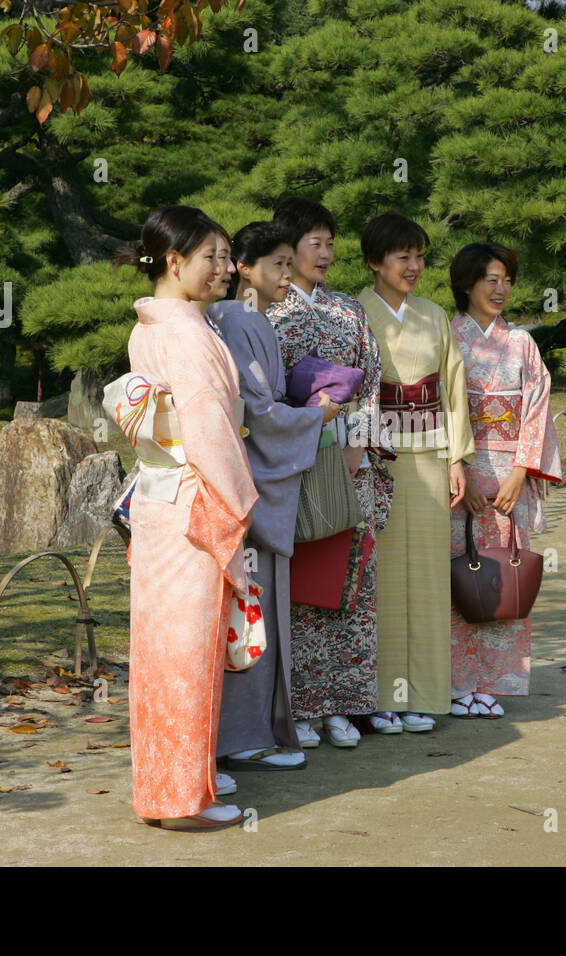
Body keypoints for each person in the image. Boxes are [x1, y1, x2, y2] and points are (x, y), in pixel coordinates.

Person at [114, 206, 258, 829]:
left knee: (160, 653)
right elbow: (208, 432)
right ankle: (180, 800)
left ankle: (164, 789)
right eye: (213, 258)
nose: (225, 270)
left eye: (227, 258)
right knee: (187, 655)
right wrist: (240, 504)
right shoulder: (188, 333)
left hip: (157, 503)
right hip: (195, 505)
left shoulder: (148, 325)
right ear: (175, 262)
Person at [208, 222, 339, 770]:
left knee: (258, 613)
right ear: (245, 267)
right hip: (253, 484)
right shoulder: (238, 320)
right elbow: (257, 414)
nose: (289, 274)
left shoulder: (251, 319)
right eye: (279, 264)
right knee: (252, 614)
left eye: (292, 263)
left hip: (263, 476)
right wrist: (314, 416)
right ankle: (241, 739)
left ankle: (253, 731)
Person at [268, 196, 394, 749]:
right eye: (314, 242)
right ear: (287, 250)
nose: (326, 253)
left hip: (349, 458)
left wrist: (358, 442)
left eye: (330, 242)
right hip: (293, 461)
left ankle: (344, 702)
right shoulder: (267, 312)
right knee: (297, 583)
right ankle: (296, 708)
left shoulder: (347, 309)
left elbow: (372, 380)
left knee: (351, 581)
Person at [357, 211, 475, 733]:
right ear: (374, 262)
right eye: (401, 256)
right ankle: (381, 696)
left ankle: (424, 695)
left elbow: (452, 384)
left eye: (418, 255)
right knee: (379, 579)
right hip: (377, 460)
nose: (414, 266)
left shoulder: (433, 315)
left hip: (428, 456)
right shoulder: (354, 312)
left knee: (427, 579)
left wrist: (456, 458)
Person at [448, 242, 562, 718]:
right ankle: (455, 684)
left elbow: (536, 409)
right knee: (459, 575)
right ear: (467, 283)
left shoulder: (522, 344)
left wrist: (520, 472)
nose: (501, 289)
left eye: (507, 280)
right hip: (461, 477)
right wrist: (459, 468)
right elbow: (441, 408)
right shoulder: (448, 338)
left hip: (511, 475)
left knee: (504, 575)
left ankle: (493, 682)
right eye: (490, 279)